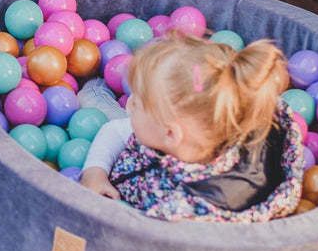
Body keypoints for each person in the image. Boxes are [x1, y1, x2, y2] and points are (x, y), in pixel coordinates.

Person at [80, 33, 305, 222]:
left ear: (171, 133)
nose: (129, 103)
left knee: (90, 94)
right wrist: (95, 173)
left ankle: (95, 91)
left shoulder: (183, 210)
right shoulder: (226, 119)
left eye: (138, 103)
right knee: (96, 95)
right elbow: (115, 130)